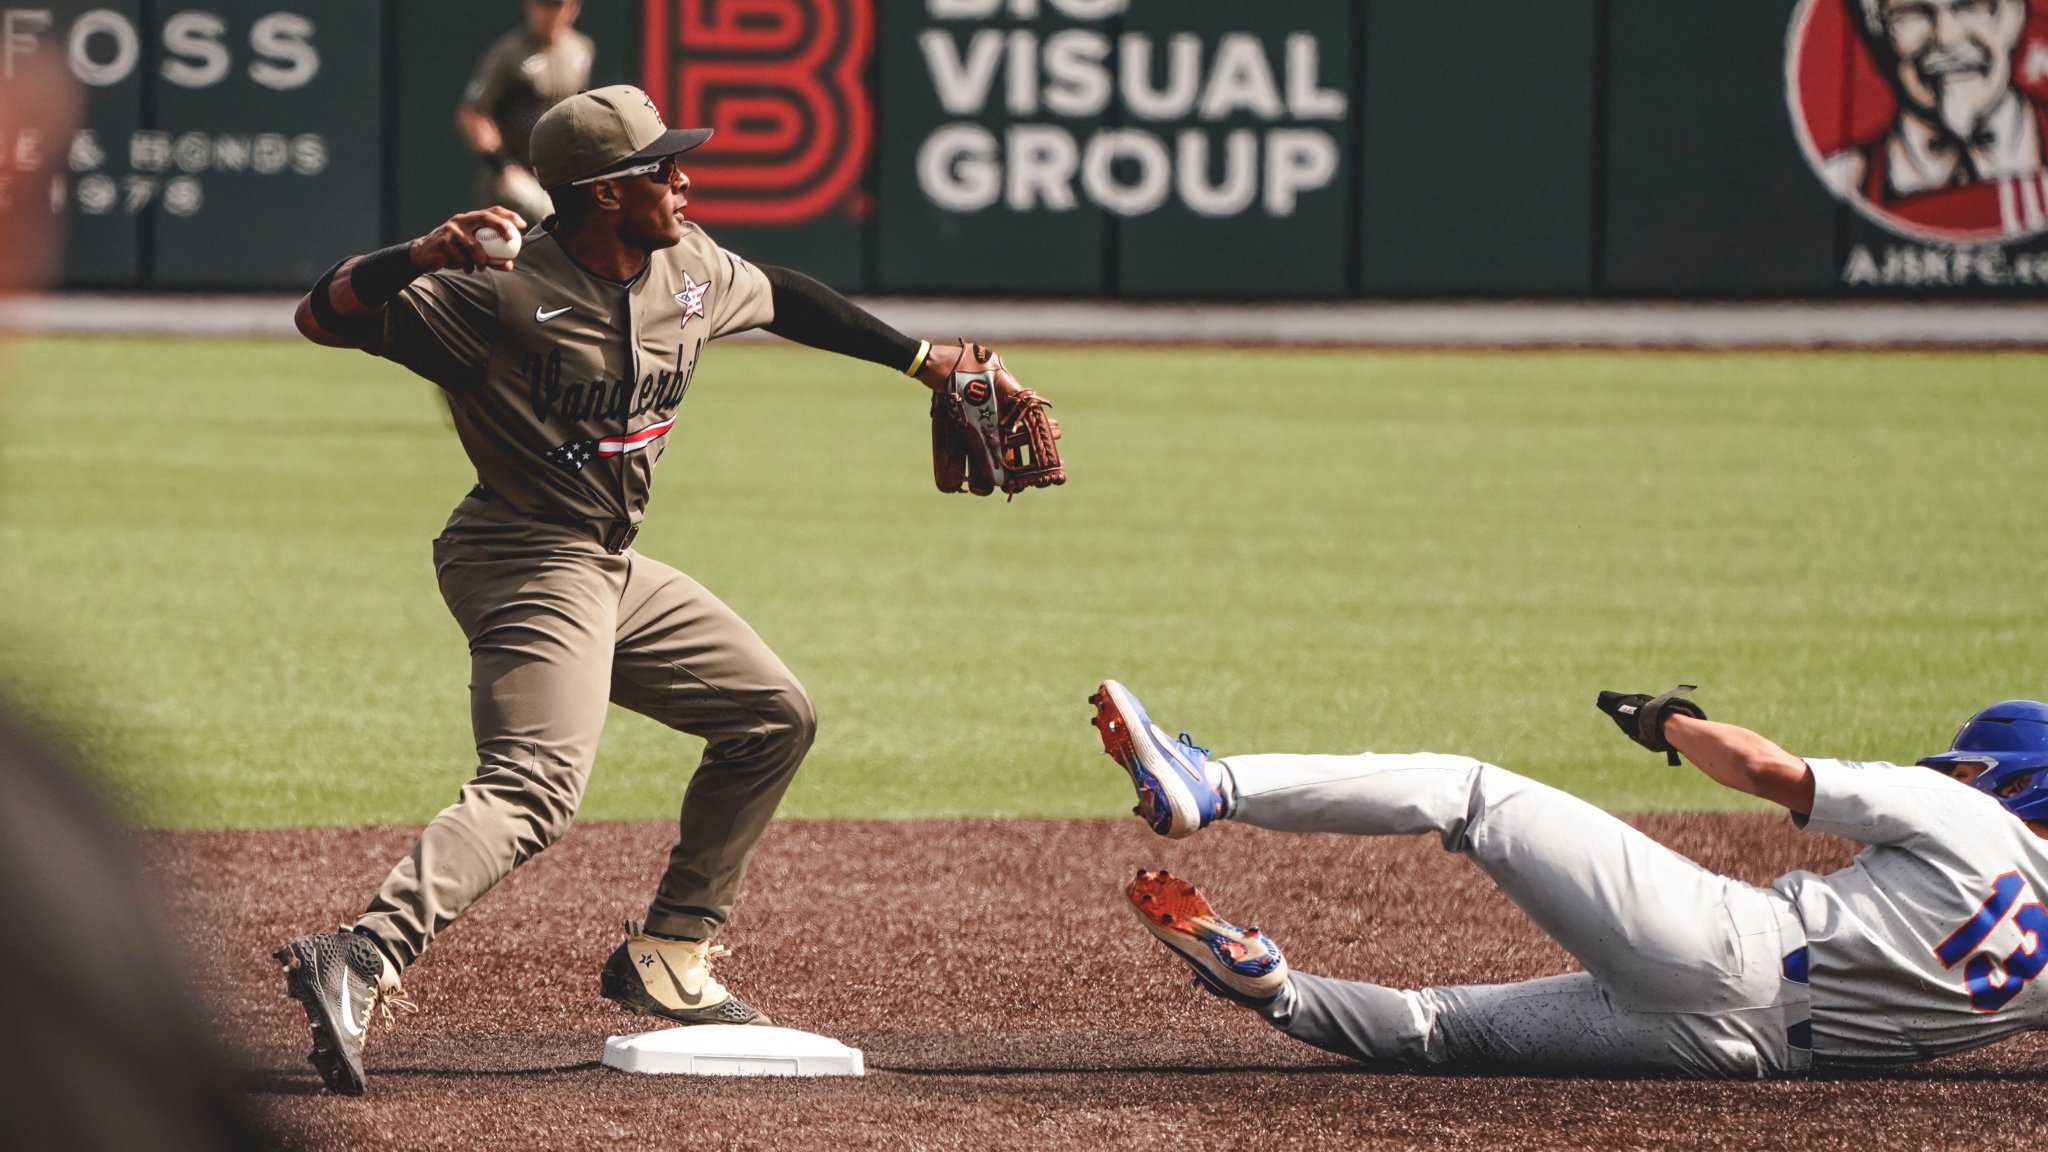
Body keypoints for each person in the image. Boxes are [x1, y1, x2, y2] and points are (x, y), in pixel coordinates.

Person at [276, 83, 1044, 1096]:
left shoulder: (686, 268)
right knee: (535, 784)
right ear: (603, 194)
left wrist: (921, 362)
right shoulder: (497, 296)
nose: (685, 180)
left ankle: (671, 952)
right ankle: (360, 957)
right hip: (521, 559)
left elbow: (780, 291)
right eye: (661, 168)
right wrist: (414, 259)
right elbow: (322, 316)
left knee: (773, 715)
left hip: (608, 565)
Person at [1090, 678, 2048, 1077]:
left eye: (1965, 766)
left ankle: (1208, 786)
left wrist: (1668, 719)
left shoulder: (1971, 817)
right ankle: (1278, 988)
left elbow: (1764, 771)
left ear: (2012, 781)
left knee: (1470, 795)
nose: (1948, 776)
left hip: (1727, 947)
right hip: (1738, 1059)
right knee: (1440, 1031)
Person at [1823, 0, 2048, 234]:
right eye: (1912, 13)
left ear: (2014, 17)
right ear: (1876, 30)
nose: (1946, 37)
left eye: (1971, 6)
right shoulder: (1842, 181)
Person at [457, 0, 593, 225]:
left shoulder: (581, 49)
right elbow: (473, 113)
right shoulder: (508, 53)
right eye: (545, 4)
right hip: (517, 174)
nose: (553, 12)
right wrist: (502, 167)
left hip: (560, 175)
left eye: (559, 4)